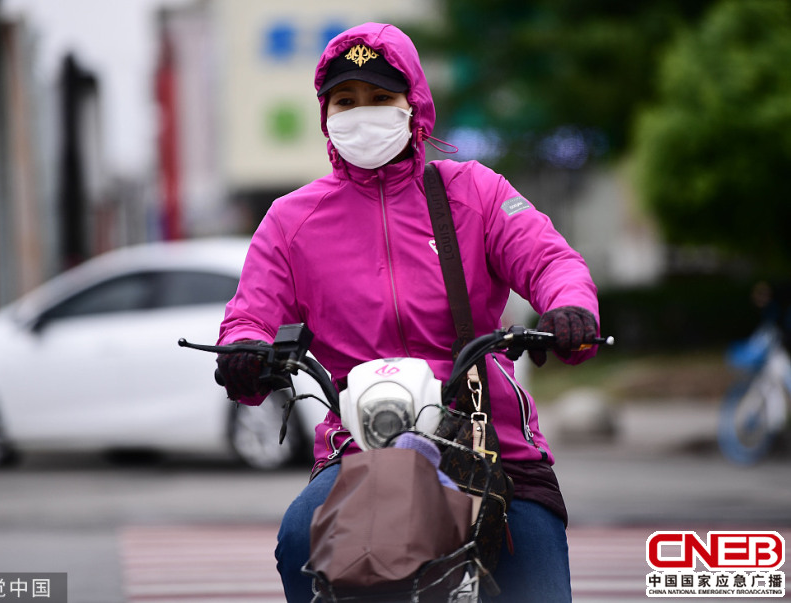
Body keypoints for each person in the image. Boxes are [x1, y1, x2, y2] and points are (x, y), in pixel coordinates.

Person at [216, 22, 601, 602]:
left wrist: (569, 308)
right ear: (325, 116)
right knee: (301, 539)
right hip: (359, 452)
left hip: (489, 445)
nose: (362, 114)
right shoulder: (290, 221)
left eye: (380, 98)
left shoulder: (475, 192)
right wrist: (245, 351)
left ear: (414, 106)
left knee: (538, 574)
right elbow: (250, 315)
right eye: (345, 101)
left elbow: (551, 261)